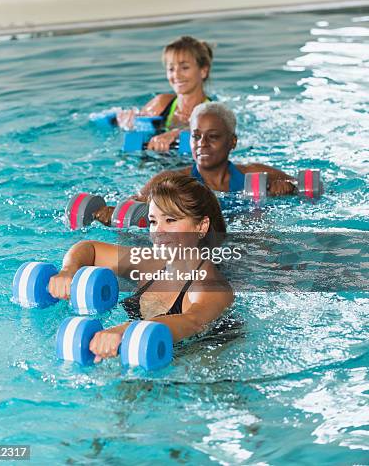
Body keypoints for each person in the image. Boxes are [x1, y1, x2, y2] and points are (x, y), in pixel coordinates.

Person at [50, 174, 233, 363]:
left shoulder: (211, 285)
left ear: (201, 226)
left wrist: (126, 329)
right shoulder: (150, 263)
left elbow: (194, 321)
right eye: (153, 221)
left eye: (170, 220)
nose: (158, 232)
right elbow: (90, 248)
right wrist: (68, 270)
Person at [94, 102, 296, 225]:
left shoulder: (254, 174)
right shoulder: (170, 181)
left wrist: (289, 189)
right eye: (196, 136)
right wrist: (109, 212)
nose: (202, 144)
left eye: (213, 136)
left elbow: (314, 188)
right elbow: (135, 203)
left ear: (232, 142)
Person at [116, 36, 213, 151]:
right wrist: (127, 122)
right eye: (171, 69)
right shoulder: (161, 104)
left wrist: (176, 133)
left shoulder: (213, 112)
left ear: (203, 71)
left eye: (185, 68)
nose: (176, 75)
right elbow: (137, 122)